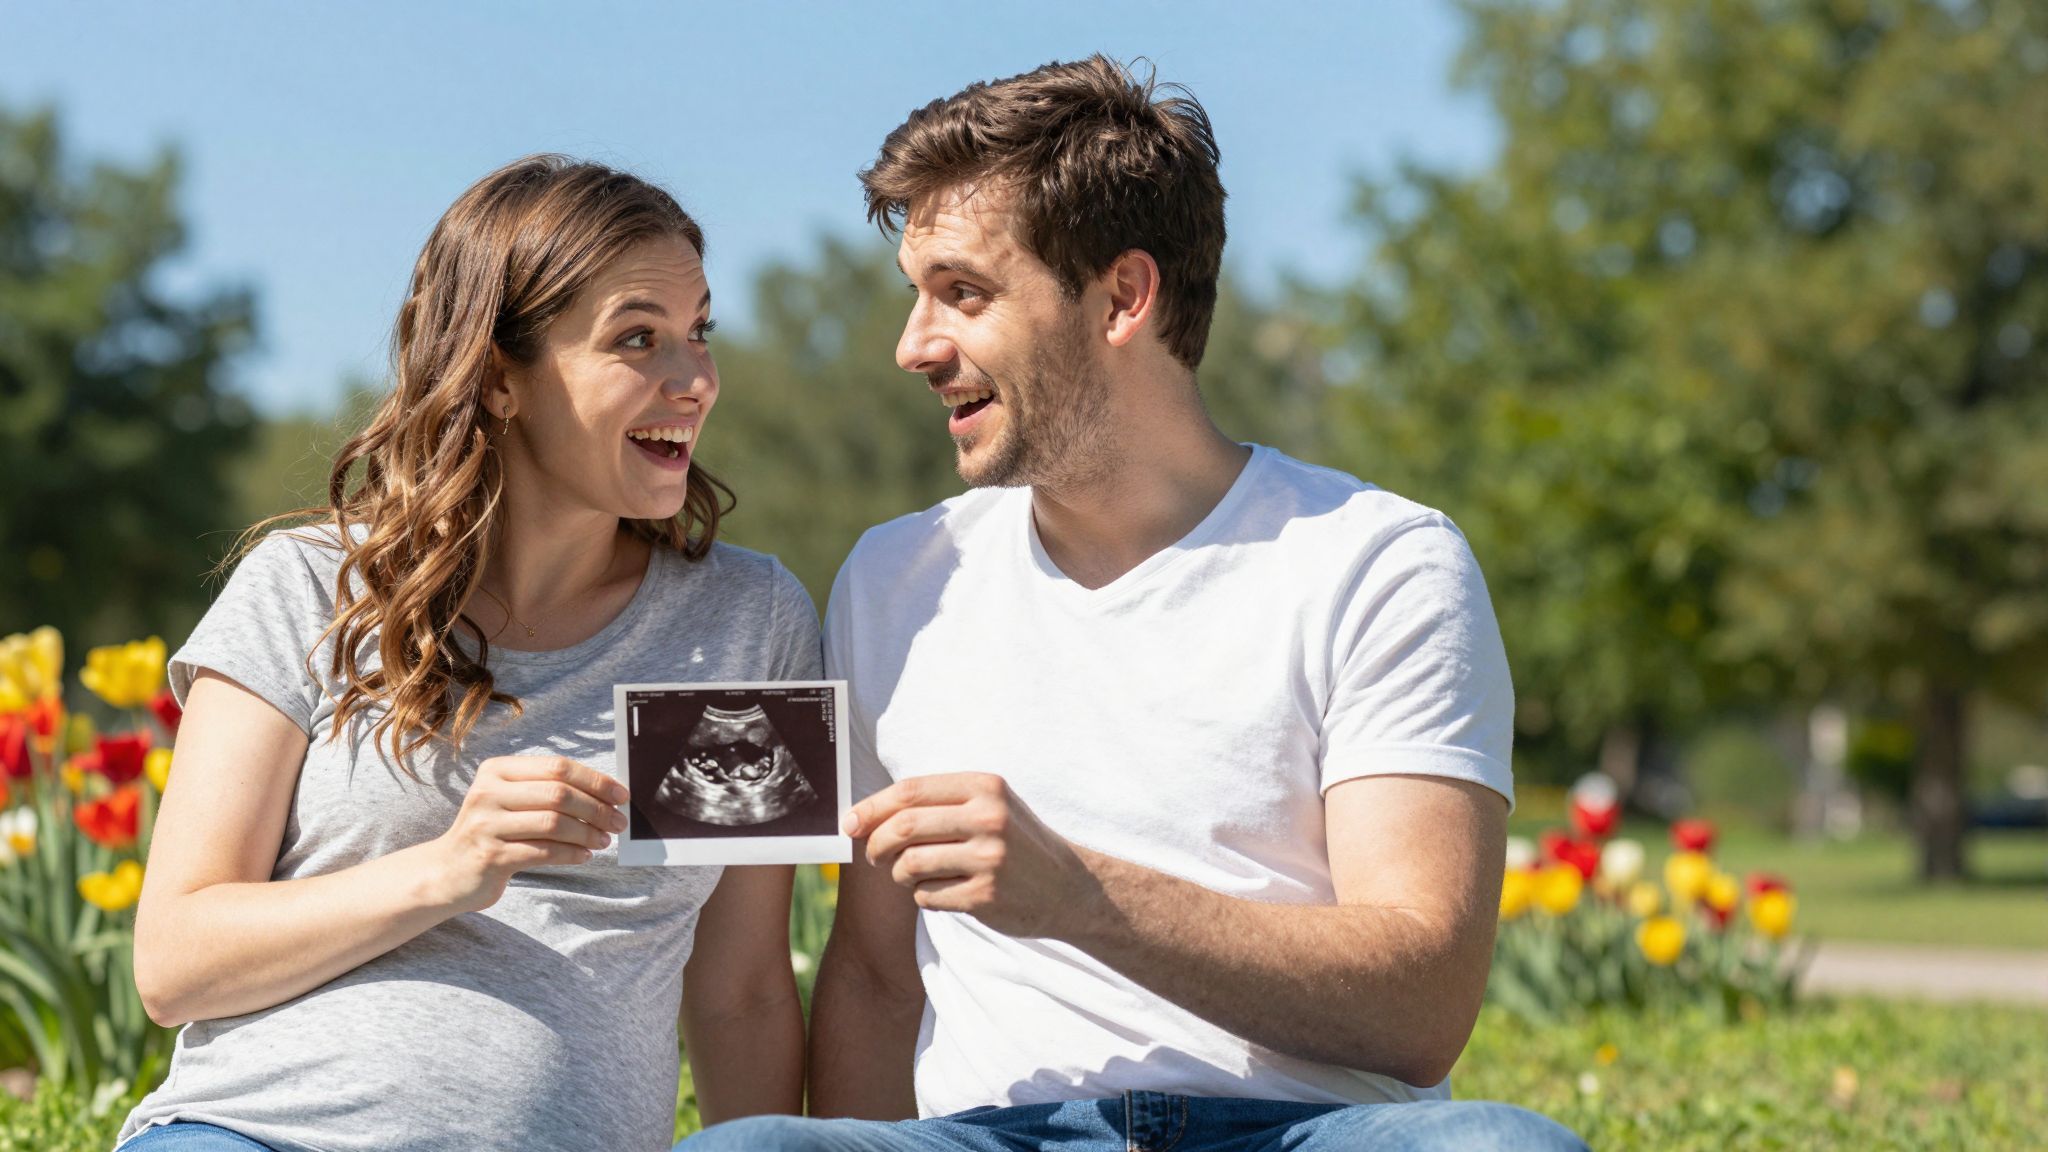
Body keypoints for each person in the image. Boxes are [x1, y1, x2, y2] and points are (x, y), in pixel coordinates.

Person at [682, 58, 1586, 1152]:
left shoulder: (1377, 563)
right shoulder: (891, 580)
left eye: (962, 293)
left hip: (1306, 1132)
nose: (912, 346)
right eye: (916, 294)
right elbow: (874, 978)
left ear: (1122, 297)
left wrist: (1080, 898)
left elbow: (1421, 1013)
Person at [117, 156, 815, 1152]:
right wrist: (449, 868)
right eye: (637, 339)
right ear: (497, 378)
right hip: (252, 1133)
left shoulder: (739, 627)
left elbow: (739, 988)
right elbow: (175, 961)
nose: (694, 378)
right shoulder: (315, 586)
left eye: (699, 332)